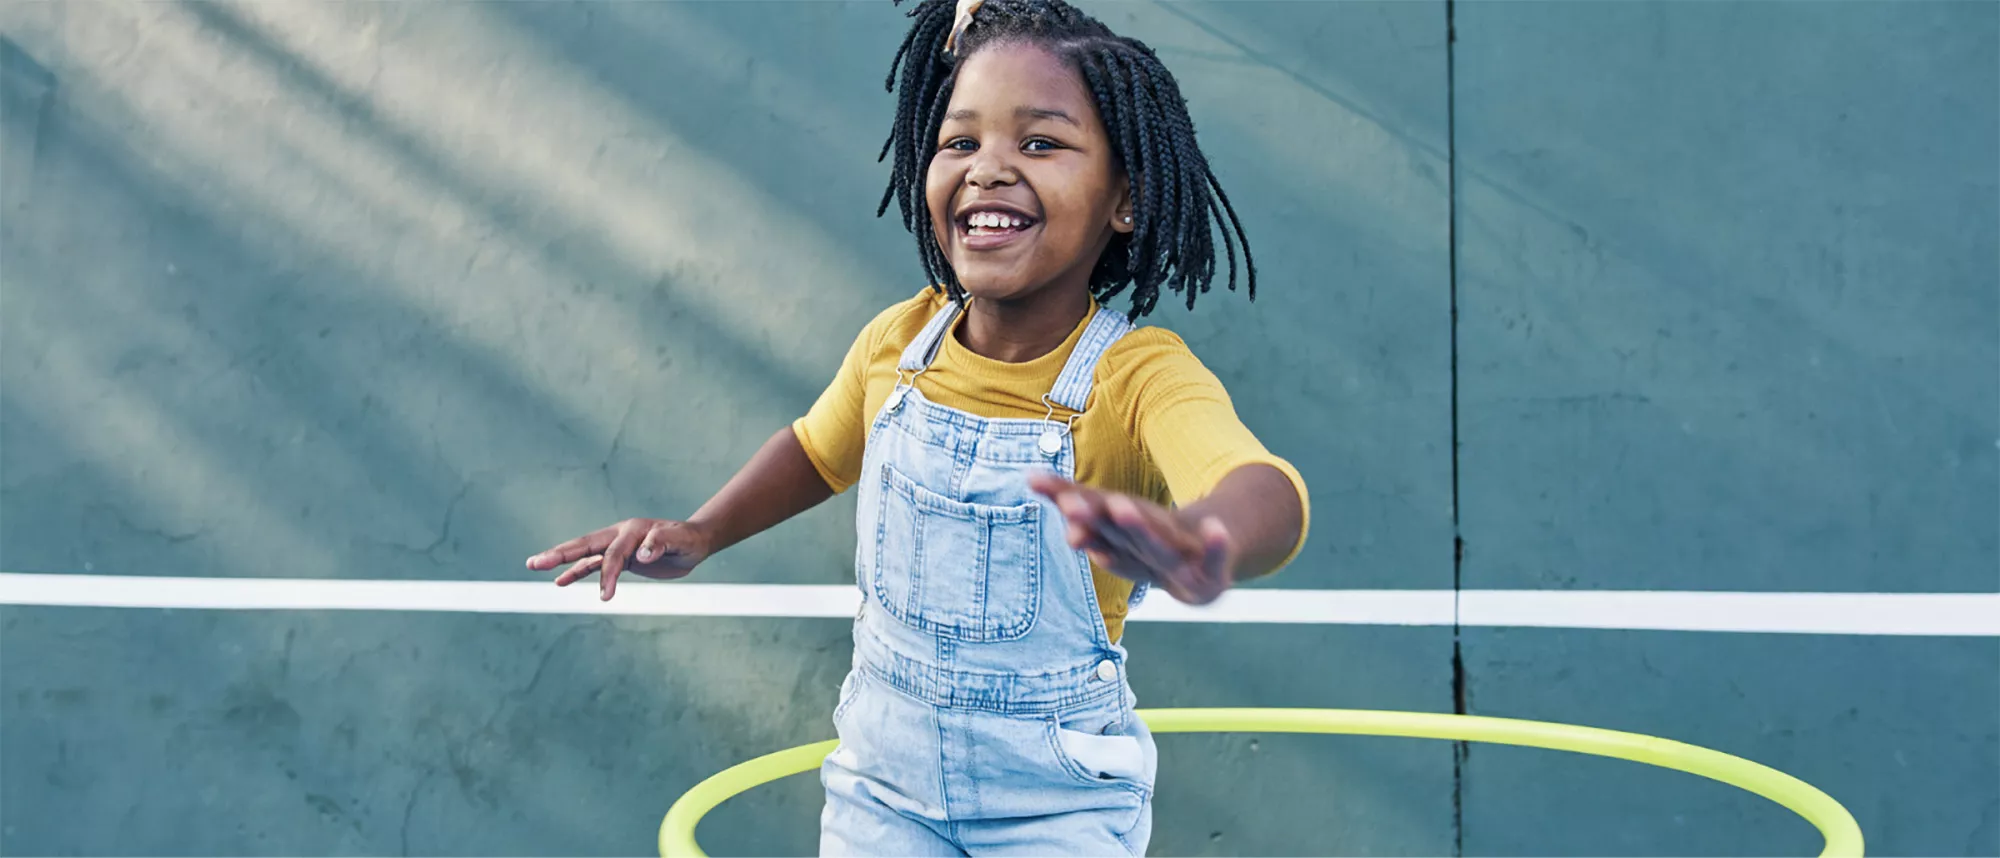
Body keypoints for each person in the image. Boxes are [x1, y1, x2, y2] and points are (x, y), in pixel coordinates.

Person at [527, 0, 1309, 852]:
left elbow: (1261, 486)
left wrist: (1207, 540)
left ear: (1125, 199)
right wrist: (702, 530)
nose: (988, 171)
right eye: (960, 141)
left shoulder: (1137, 377)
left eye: (1039, 143)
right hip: (880, 793)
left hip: (1057, 808)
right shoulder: (900, 343)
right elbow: (818, 451)